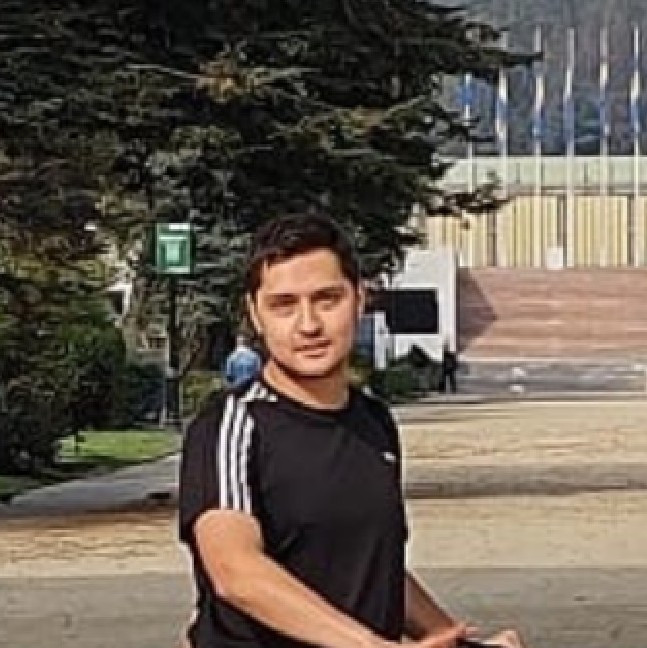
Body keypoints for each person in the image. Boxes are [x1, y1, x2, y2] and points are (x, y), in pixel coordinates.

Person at [178, 214, 527, 648]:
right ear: (256, 314)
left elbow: (374, 570)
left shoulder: (373, 422)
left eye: (327, 300)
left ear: (359, 299)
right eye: (284, 305)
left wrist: (454, 640)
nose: (308, 325)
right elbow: (236, 572)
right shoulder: (233, 424)